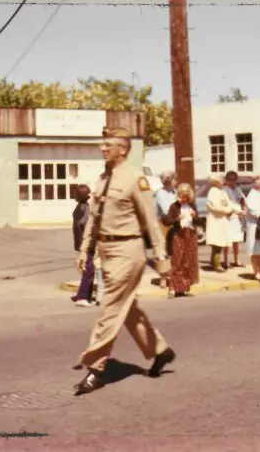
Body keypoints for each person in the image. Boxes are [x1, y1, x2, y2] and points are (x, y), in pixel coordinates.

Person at [73, 127, 176, 395]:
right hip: (107, 251)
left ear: (124, 149)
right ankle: (160, 350)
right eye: (102, 144)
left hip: (128, 250)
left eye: (109, 144)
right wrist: (85, 250)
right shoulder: (103, 178)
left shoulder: (135, 179)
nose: (103, 148)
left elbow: (151, 222)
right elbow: (94, 219)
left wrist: (161, 257)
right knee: (126, 309)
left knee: (110, 308)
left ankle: (95, 368)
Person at [163, 183, 199, 297]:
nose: (184, 199)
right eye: (182, 196)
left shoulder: (192, 205)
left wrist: (195, 216)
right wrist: (176, 219)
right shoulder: (174, 206)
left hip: (190, 234)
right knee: (177, 261)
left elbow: (199, 222)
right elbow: (167, 221)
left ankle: (183, 288)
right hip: (178, 234)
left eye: (186, 196)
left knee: (187, 261)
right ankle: (172, 288)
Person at [71, 184, 98, 307]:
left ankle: (86, 296)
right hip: (87, 243)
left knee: (88, 269)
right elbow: (86, 224)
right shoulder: (86, 208)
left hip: (81, 243)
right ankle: (82, 296)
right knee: (89, 270)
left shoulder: (79, 208)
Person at [205, 175, 239, 272]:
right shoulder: (213, 192)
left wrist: (237, 210)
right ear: (216, 182)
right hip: (216, 220)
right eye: (221, 180)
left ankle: (214, 262)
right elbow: (217, 207)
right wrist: (228, 210)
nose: (223, 181)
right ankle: (216, 264)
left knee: (220, 242)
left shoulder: (222, 191)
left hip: (222, 220)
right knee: (217, 242)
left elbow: (230, 203)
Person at [222, 170, 246, 268]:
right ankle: (226, 260)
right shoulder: (224, 190)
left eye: (234, 180)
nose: (232, 182)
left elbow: (242, 199)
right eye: (230, 180)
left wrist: (243, 208)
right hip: (229, 216)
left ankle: (236, 260)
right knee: (228, 240)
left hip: (238, 217)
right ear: (226, 180)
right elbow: (228, 203)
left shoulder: (238, 189)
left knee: (237, 240)